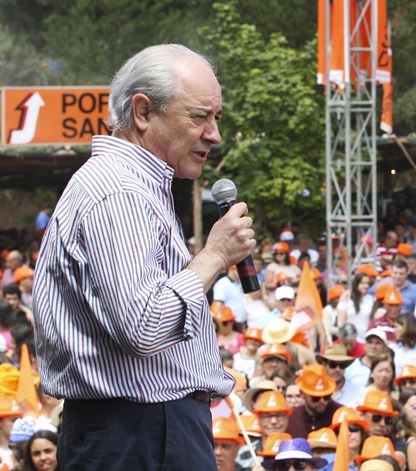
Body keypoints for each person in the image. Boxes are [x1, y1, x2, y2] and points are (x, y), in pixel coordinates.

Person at [32, 44, 242, 469]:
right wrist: (214, 256)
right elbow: (145, 326)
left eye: (215, 118)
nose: (213, 135)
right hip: (140, 431)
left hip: (146, 429)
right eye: (199, 116)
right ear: (143, 112)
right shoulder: (120, 192)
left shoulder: (138, 186)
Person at [287, 365, 342, 438]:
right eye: (316, 398)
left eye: (326, 397)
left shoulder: (340, 414)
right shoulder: (291, 418)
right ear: (302, 394)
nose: (322, 401)